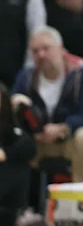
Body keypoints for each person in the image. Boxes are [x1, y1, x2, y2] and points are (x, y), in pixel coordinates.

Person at [11, 26, 83, 182]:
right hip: (38, 140)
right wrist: (15, 104)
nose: (41, 55)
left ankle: (78, 193)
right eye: (35, 51)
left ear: (61, 49)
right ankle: (19, 201)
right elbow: (12, 110)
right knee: (14, 139)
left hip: (70, 137)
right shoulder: (26, 76)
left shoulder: (82, 72)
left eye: (46, 48)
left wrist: (64, 128)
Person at [0, 84, 35, 226]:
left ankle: (18, 211)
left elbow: (29, 147)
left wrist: (6, 153)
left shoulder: (7, 126)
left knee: (19, 162)